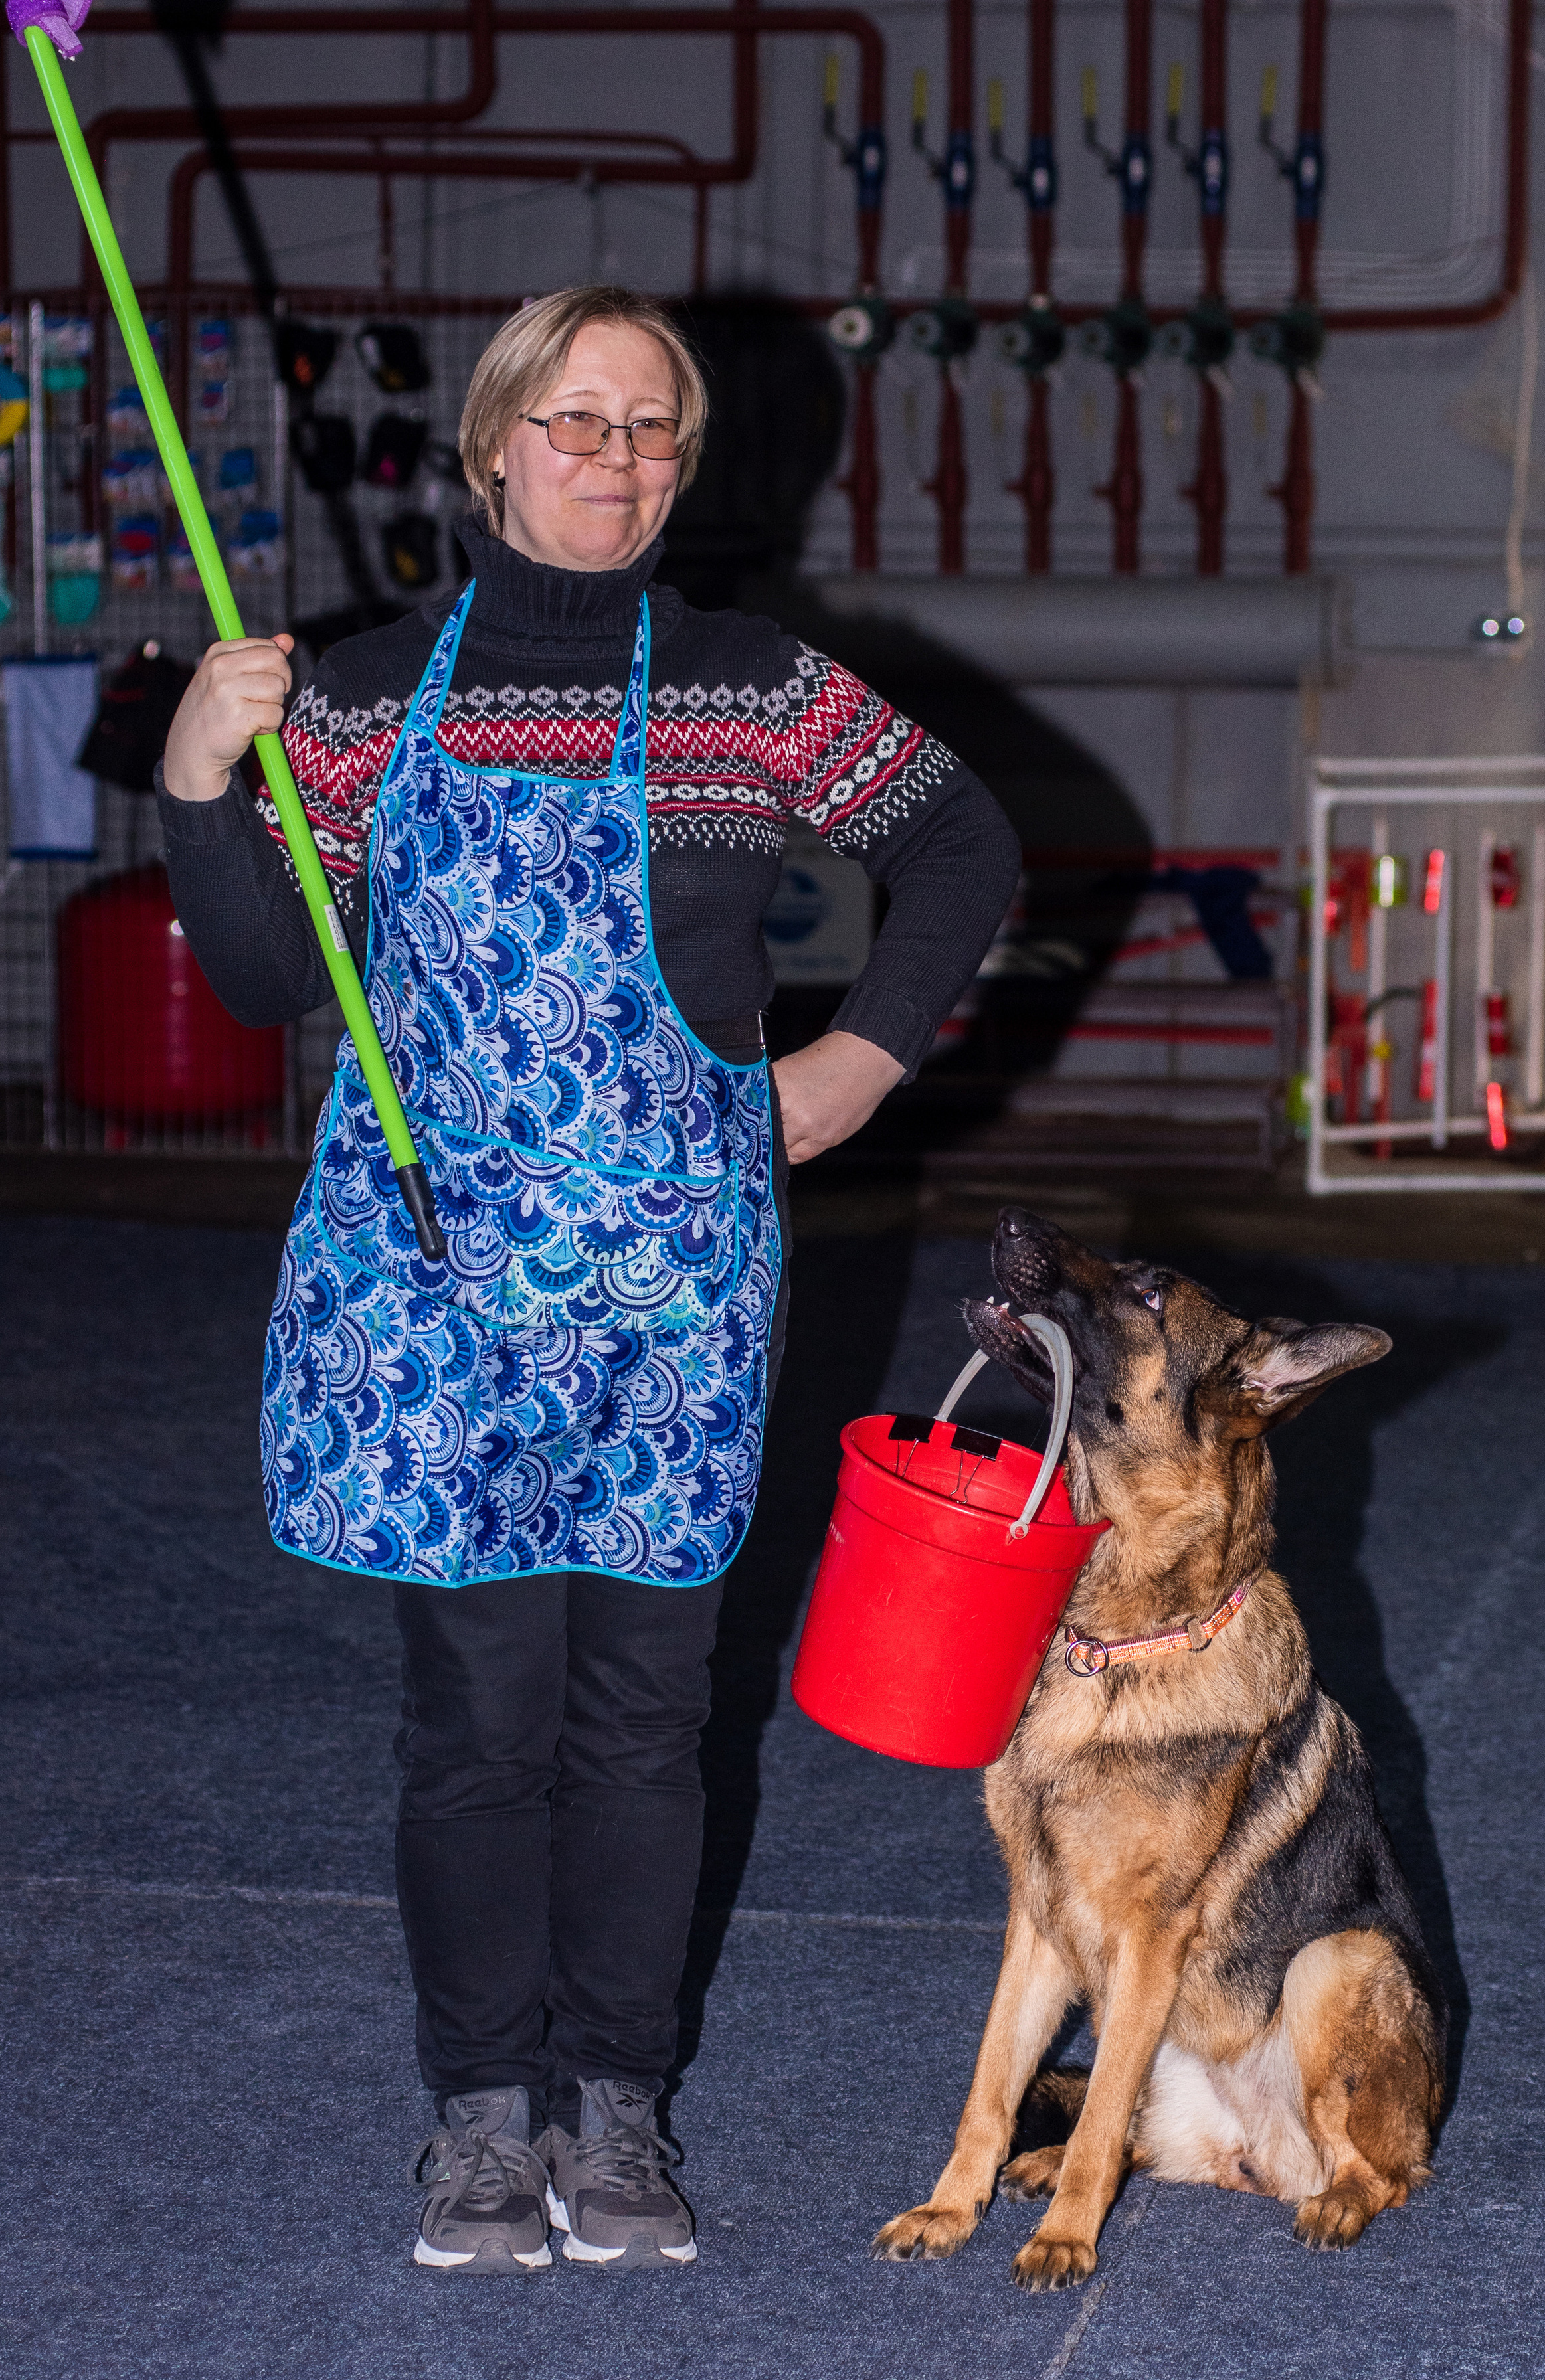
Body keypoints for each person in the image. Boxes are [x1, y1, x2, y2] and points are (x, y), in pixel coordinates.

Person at [157, 284, 1020, 2276]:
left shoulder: (745, 690)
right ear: (488, 449)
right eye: (576, 422)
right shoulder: (364, 703)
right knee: (482, 1713)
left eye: (652, 429)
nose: (617, 460)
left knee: (646, 1711)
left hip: (675, 1291)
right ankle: (479, 2121)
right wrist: (207, 778)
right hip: (438, 1289)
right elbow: (275, 978)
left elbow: (962, 840)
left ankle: (616, 2107)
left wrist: (866, 1051)